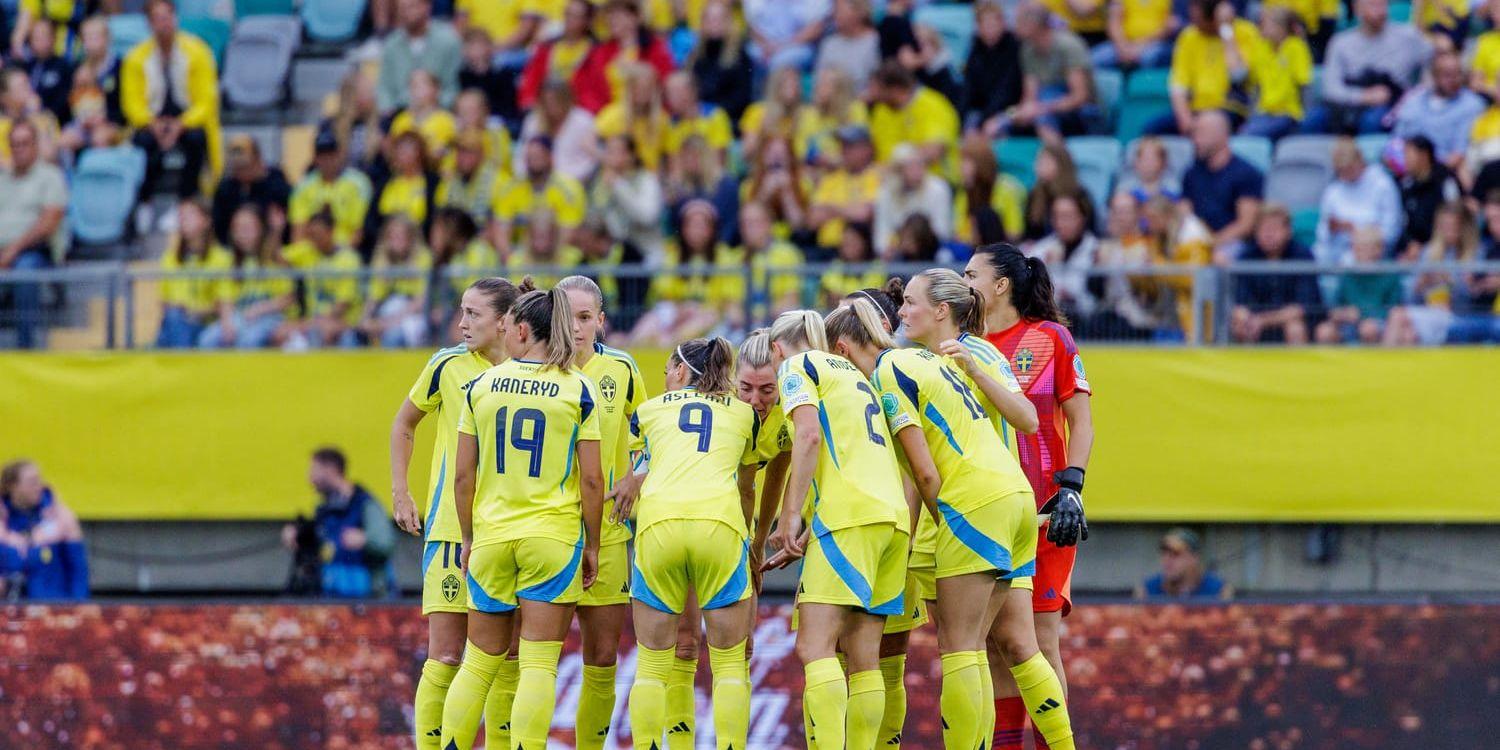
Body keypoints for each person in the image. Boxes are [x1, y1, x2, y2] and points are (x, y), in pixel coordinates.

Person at [439, 288, 604, 750]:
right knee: (537, 664)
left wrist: (469, 537)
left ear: (525, 330)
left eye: (510, 326)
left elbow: (463, 477)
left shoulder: (481, 386)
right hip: (552, 538)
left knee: (478, 662)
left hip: (492, 535)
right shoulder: (578, 388)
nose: (507, 333)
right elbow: (592, 481)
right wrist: (592, 545)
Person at [761, 309, 913, 750]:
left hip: (849, 519)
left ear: (776, 348)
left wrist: (791, 515)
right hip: (892, 520)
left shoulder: (797, 366)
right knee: (864, 657)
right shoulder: (857, 374)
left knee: (815, 646)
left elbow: (807, 437)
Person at [965, 244, 1097, 750]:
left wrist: (1072, 487)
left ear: (1001, 285)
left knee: (1038, 644)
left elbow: (1080, 420)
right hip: (985, 510)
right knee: (998, 648)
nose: (964, 281)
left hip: (1044, 511)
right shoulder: (963, 345)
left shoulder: (1051, 339)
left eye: (972, 273)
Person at [390, 276, 528, 750]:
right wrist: (401, 492)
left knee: (506, 658)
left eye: (473, 314)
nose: (462, 322)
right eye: (462, 311)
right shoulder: (447, 365)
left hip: (509, 532)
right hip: (452, 528)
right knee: (447, 656)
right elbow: (404, 423)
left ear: (505, 321)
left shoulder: (537, 371)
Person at [607, 337, 756, 750]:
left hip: (660, 527)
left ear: (681, 371)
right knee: (728, 664)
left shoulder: (649, 412)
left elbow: (642, 467)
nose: (665, 378)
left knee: (653, 665)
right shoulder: (745, 414)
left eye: (668, 370)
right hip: (720, 527)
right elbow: (746, 486)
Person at [555, 275, 648, 750]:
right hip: (547, 530)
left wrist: (635, 476)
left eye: (586, 317)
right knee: (522, 655)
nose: (576, 327)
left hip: (607, 532)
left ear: (602, 321)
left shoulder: (623, 369)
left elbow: (650, 435)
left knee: (602, 656)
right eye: (568, 315)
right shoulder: (532, 370)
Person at [121, 0, 219, 199]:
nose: (164, 23)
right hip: (152, 120)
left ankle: (187, 199)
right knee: (144, 142)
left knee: (196, 138)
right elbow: (131, 105)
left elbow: (206, 102)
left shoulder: (198, 51)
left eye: (167, 17)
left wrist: (180, 125)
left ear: (175, 18)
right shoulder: (135, 58)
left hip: (187, 119)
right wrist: (152, 124)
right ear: (149, 24)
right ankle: (144, 203)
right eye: (157, 19)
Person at [282, 448, 396, 598]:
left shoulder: (365, 505)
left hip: (368, 600)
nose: (310, 478)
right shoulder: (325, 510)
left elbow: (385, 542)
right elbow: (318, 542)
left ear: (330, 469)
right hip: (330, 597)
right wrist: (297, 535)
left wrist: (365, 540)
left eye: (314, 469)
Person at [1311, 0, 1431, 135]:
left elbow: (1435, 59)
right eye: (1372, 5)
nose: (1379, 11)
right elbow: (1331, 89)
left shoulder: (1408, 36)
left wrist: (1423, 90)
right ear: (1357, 9)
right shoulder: (1341, 42)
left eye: (1382, 5)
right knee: (1314, 119)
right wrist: (1364, 96)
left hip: (1391, 103)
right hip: (1349, 100)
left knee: (1372, 120)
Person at [1149, 0, 1261, 136]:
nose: (1194, 24)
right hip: (1196, 109)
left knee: (1209, 133)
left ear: (1215, 17)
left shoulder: (1245, 32)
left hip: (1230, 109)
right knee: (1151, 129)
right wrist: (1186, 120)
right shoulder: (1188, 36)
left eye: (1198, 19)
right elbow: (1178, 86)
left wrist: (1226, 29)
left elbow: (1238, 75)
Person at [0, 120, 65, 350]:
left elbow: (48, 223)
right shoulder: (2, 179)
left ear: (35, 145)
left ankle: (26, 349)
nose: (18, 149)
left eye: (24, 143)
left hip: (36, 253)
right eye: (14, 144)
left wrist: (12, 251)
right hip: (3, 254)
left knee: (24, 271)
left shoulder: (50, 176)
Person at [198, 205, 297, 349]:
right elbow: (225, 298)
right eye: (237, 229)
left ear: (261, 229)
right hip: (241, 316)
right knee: (207, 339)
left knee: (248, 341)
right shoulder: (229, 262)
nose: (242, 233)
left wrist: (259, 309)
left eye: (247, 228)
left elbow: (288, 298)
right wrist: (227, 323)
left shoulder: (274, 259)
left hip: (271, 317)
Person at [1230, 204, 1322, 344]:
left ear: (1288, 231)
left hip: (1293, 323)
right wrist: (1245, 317)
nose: (1268, 234)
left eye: (1273, 228)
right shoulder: (1246, 257)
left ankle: (1298, 366)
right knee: (1240, 324)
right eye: (1263, 229)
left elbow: (1302, 308)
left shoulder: (1302, 256)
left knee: (1294, 328)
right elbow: (1239, 302)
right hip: (1255, 324)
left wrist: (1263, 320)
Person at [0, 459, 89, 600]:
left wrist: (77, 606)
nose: (38, 486)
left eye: (39, 480)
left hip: (53, 608)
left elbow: (78, 570)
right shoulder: (3, 524)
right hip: (9, 611)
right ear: (12, 486)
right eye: (31, 482)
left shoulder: (61, 518)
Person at [490, 136, 588, 260]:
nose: (532, 162)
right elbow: (501, 231)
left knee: (573, 256)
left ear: (550, 157)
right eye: (529, 158)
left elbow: (568, 235)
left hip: (557, 256)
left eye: (537, 157)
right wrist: (511, 259)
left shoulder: (569, 190)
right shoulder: (510, 189)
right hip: (521, 255)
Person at [1009, 3, 1097, 138]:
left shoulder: (1068, 46)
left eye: (1019, 21)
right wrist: (1015, 114)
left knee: (1045, 105)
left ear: (1033, 24)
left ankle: (1054, 155)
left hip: (1082, 112)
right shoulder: (1027, 50)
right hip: (1045, 106)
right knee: (1003, 122)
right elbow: (1030, 97)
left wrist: (1042, 108)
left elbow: (1080, 97)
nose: (1014, 26)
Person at [572, 0, 676, 114]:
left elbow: (666, 87)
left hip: (645, 115)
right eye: (609, 14)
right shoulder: (600, 51)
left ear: (635, 18)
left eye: (618, 14)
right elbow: (581, 86)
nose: (611, 19)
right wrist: (598, 111)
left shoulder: (655, 49)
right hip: (605, 116)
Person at [1182, 111, 1264, 255]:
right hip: (1197, 241)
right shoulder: (1191, 173)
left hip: (1234, 244)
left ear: (1221, 134)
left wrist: (1211, 244)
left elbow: (1246, 225)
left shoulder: (1246, 173)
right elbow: (1184, 212)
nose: (1195, 140)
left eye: (1200, 133)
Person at [157, 199, 233, 349]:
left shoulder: (222, 258)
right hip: (176, 323)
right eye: (181, 215)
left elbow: (224, 301)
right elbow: (165, 301)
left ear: (206, 221)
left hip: (207, 323)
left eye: (190, 214)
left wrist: (194, 311)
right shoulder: (170, 258)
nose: (183, 219)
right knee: (173, 320)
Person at [1390, 52, 1486, 169]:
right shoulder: (1414, 100)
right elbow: (1396, 140)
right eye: (1447, 75)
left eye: (1458, 74)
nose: (1454, 80)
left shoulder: (1472, 104)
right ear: (1434, 76)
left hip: (1443, 171)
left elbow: (1459, 154)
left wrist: (1429, 174)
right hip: (1406, 168)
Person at [1315, 138, 1402, 264]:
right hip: (1337, 247)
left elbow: (1391, 230)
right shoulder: (1333, 191)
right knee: (1317, 255)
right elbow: (1323, 231)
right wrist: (1332, 229)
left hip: (1372, 250)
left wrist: (1357, 231)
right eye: (1340, 171)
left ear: (1360, 160)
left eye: (1348, 168)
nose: (1345, 174)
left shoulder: (1382, 185)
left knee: (1351, 260)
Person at [1315, 226, 1404, 344]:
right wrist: (1341, 314)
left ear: (1379, 250)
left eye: (1365, 248)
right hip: (1348, 323)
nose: (1359, 253)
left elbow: (1394, 310)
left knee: (1368, 329)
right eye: (1356, 248)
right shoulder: (1347, 274)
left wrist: (1361, 315)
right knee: (1324, 331)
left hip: (1379, 325)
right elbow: (1336, 307)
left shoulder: (1390, 273)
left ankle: (1372, 362)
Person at [868, 61, 961, 174]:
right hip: (890, 183)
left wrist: (892, 167)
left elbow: (934, 150)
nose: (873, 95)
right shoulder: (881, 111)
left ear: (896, 89)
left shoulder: (933, 105)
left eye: (879, 90)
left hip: (934, 181)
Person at [289, 131, 372, 248]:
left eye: (330, 155)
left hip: (344, 252)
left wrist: (337, 253)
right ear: (315, 158)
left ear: (339, 154)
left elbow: (358, 232)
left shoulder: (358, 184)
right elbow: (298, 234)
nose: (326, 160)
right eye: (321, 156)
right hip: (311, 253)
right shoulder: (303, 188)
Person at [1029, 193, 1102, 324]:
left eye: (1068, 216)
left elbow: (1097, 299)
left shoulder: (1096, 250)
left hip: (1087, 323)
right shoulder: (1041, 250)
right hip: (1049, 321)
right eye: (1057, 216)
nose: (1061, 222)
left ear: (1082, 217)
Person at [378, 0, 463, 113]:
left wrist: (431, 108)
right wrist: (388, 109)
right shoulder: (391, 44)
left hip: (441, 113)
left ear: (427, 7)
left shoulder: (448, 41)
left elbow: (454, 87)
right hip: (399, 114)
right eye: (402, 8)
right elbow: (384, 87)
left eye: (412, 7)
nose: (405, 13)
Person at [362, 217, 433, 348]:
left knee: (393, 337)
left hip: (413, 317)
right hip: (387, 315)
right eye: (392, 236)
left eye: (401, 236)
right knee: (356, 336)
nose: (396, 241)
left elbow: (420, 302)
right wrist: (365, 320)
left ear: (411, 238)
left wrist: (386, 323)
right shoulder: (382, 258)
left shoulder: (423, 257)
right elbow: (374, 297)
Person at [211, 135, 292, 245]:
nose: (240, 172)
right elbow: (219, 225)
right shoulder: (226, 188)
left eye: (245, 166)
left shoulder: (277, 186)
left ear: (258, 160)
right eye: (236, 167)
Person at [516, 0, 595, 111]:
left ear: (587, 21)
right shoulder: (547, 48)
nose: (570, 20)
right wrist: (529, 101)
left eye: (576, 16)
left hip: (577, 108)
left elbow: (594, 90)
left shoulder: (595, 51)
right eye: (568, 14)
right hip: (544, 106)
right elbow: (531, 79)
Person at [874, 144, 952, 255]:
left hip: (931, 253)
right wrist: (889, 248)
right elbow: (882, 233)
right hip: (897, 254)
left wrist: (917, 243)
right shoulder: (886, 192)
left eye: (918, 164)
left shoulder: (938, 189)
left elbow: (943, 231)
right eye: (909, 166)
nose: (916, 170)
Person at [687, 0, 756, 124]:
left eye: (719, 19)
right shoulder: (696, 55)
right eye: (710, 19)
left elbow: (741, 98)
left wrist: (712, 112)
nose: (714, 24)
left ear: (728, 22)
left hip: (728, 122)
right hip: (697, 120)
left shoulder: (740, 55)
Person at [963, 2, 1025, 137]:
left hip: (1013, 108)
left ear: (1003, 23)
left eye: (992, 24)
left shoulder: (1014, 47)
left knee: (993, 128)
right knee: (967, 127)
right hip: (983, 109)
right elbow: (969, 86)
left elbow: (1008, 90)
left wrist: (985, 119)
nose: (989, 29)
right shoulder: (976, 48)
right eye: (984, 25)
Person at [517, 83, 598, 184]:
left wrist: (561, 182)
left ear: (567, 101)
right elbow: (521, 158)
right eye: (546, 102)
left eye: (555, 101)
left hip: (575, 184)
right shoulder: (533, 121)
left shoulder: (584, 121)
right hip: (535, 183)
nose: (550, 106)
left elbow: (590, 163)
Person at [1398, 135, 1463, 259]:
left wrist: (1433, 244)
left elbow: (1455, 214)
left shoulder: (1446, 181)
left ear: (1424, 155)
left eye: (1408, 155)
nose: (1405, 160)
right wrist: (1410, 243)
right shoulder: (1406, 185)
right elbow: (1403, 221)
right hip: (1414, 248)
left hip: (1443, 245)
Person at [1134, 528, 1232, 599]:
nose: (1167, 560)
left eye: (1176, 554)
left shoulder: (1219, 591)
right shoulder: (1146, 591)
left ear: (1194, 558)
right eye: (1164, 553)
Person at [458, 28, 522, 127]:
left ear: (490, 47)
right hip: (468, 120)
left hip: (498, 120)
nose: (478, 50)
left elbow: (509, 106)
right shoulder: (462, 75)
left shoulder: (503, 75)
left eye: (481, 45)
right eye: (473, 45)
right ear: (465, 50)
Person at [744, 0, 831, 72]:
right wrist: (765, 44)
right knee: (749, 53)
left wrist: (781, 47)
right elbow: (748, 23)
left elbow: (817, 27)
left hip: (796, 45)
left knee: (781, 60)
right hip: (762, 44)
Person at [817, 0, 881, 93]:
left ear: (858, 12)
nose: (834, 15)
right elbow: (819, 82)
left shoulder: (875, 42)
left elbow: (876, 86)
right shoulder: (829, 43)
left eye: (839, 10)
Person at [1093, 0, 1177, 69]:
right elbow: (1113, 22)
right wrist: (1123, 47)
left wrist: (1140, 46)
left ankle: (1144, 88)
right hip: (1123, 44)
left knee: (1149, 58)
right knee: (1094, 59)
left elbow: (1168, 26)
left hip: (1153, 44)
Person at [20, 19, 74, 125]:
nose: (40, 40)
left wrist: (43, 112)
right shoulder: (24, 66)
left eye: (44, 35)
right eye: (36, 36)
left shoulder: (64, 66)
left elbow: (65, 99)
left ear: (54, 38)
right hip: (24, 121)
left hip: (55, 121)